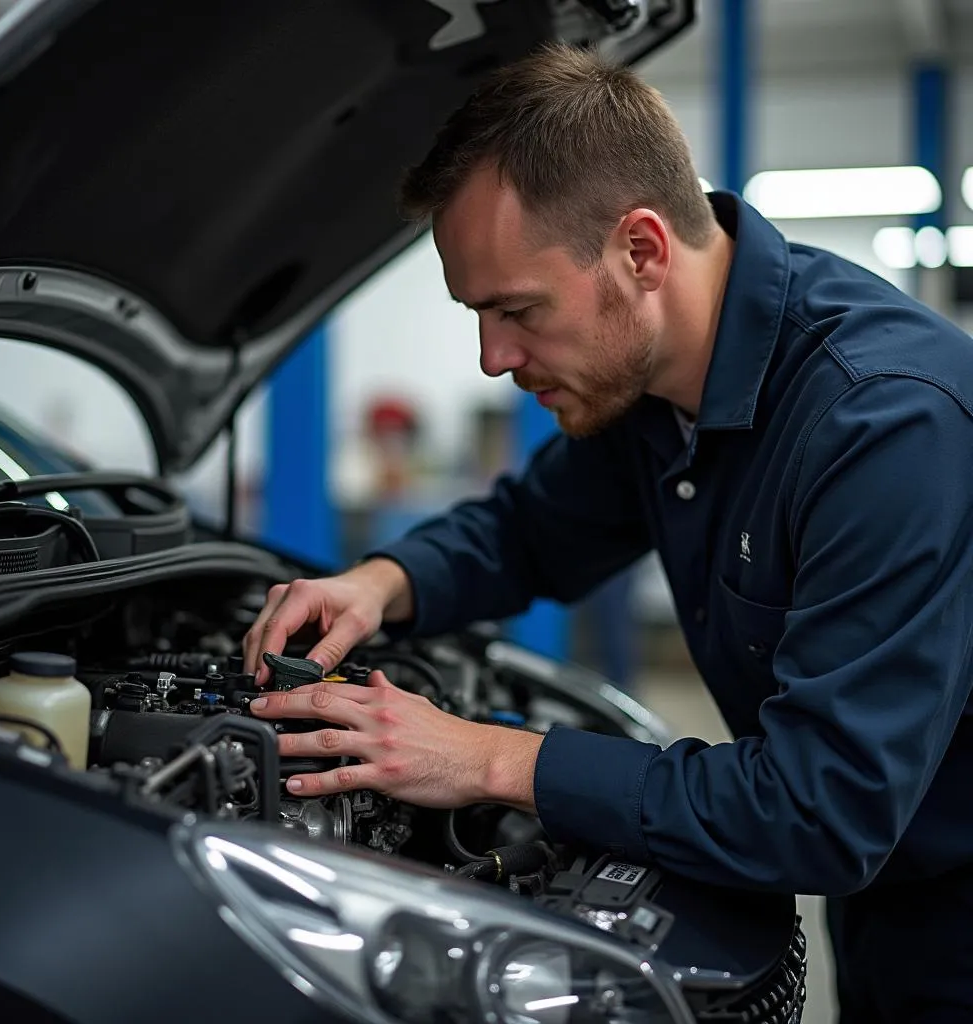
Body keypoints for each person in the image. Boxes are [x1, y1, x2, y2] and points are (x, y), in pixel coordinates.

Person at [243, 44, 973, 1020]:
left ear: (640, 250)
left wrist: (485, 756)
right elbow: (528, 531)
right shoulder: (649, 387)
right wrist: (381, 582)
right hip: (896, 893)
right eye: (475, 315)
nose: (494, 358)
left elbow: (817, 807)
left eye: (516, 311)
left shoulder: (882, 427)